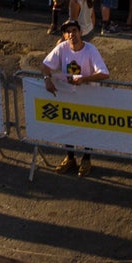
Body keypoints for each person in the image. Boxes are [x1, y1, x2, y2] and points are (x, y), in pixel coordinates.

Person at [40, 17, 109, 175]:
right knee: (68, 125)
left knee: (86, 127)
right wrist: (47, 79)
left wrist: (84, 79)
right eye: (68, 32)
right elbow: (45, 66)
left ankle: (86, 158)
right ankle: (70, 157)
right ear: (64, 36)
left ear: (81, 32)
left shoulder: (90, 50)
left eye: (74, 31)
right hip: (69, 95)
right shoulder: (62, 48)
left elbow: (104, 73)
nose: (71, 34)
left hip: (88, 96)